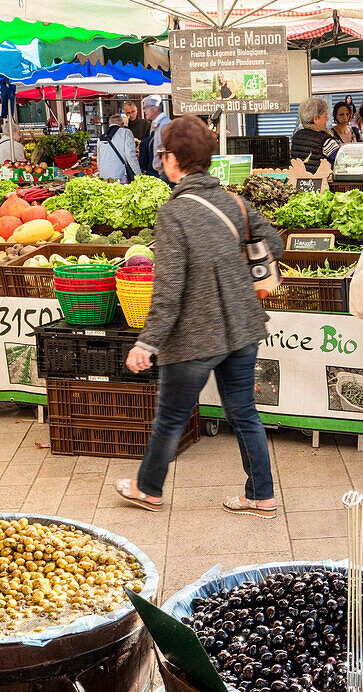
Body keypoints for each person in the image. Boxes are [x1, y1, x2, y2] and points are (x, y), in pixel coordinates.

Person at [115, 117, 284, 517]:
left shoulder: (174, 213)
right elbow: (273, 242)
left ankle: (148, 488)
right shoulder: (233, 201)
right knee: (243, 413)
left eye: (163, 154)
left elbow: (169, 288)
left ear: (174, 159)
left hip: (195, 335)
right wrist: (229, 264)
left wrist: (147, 342)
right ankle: (261, 496)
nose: (162, 161)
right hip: (242, 327)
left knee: (171, 417)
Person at [290, 98, 341, 172]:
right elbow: (341, 160)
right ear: (316, 119)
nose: (327, 119)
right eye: (325, 116)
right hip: (320, 182)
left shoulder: (297, 136)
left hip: (300, 182)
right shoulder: (326, 140)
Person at [97, 114, 140, 182]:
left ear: (109, 125)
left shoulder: (101, 138)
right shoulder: (126, 132)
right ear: (122, 124)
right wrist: (138, 174)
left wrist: (101, 174)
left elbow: (98, 159)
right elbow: (130, 155)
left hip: (104, 176)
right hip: (120, 175)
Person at [141, 94, 169, 179]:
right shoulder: (157, 124)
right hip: (161, 172)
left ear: (156, 106)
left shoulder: (165, 124)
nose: (144, 111)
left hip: (166, 172)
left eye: (146, 107)